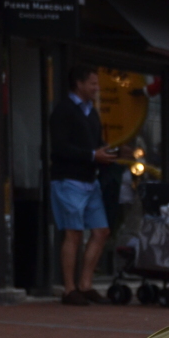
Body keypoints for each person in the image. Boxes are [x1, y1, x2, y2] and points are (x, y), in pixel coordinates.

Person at [50, 65, 118, 305]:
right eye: (93, 84)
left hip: (91, 180)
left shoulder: (92, 112)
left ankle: (85, 284)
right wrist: (92, 155)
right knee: (74, 233)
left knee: (101, 231)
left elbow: (96, 144)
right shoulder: (64, 111)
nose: (97, 88)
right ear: (79, 84)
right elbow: (59, 147)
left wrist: (108, 153)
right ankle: (69, 289)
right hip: (69, 180)